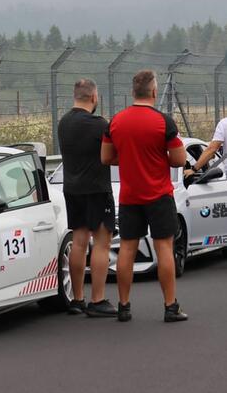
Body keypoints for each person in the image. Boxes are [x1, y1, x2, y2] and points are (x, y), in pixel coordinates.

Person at [101, 70, 188, 323]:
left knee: (127, 248)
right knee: (164, 248)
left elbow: (106, 158)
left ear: (132, 93)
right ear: (153, 92)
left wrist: (128, 158)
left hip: (130, 196)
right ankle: (170, 306)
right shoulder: (164, 122)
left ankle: (124, 306)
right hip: (159, 195)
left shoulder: (115, 122)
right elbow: (179, 160)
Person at [58, 79, 117, 317]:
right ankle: (98, 299)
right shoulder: (98, 124)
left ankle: (77, 298)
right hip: (97, 189)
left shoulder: (63, 123)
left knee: (79, 243)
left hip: (72, 188)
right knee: (102, 243)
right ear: (94, 98)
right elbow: (112, 153)